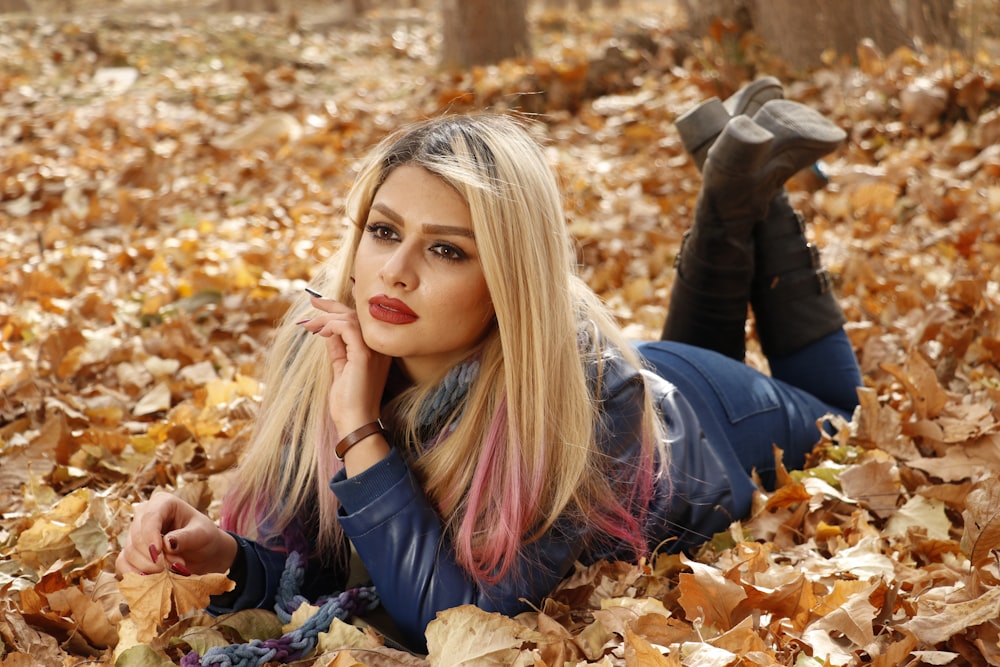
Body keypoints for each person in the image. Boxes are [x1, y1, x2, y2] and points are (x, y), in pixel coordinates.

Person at [116, 79, 863, 653]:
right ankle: (735, 181)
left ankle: (746, 198)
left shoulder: (586, 397)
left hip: (714, 417)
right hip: (652, 393)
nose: (394, 273)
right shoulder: (327, 344)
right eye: (384, 231)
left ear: (509, 278)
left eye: (446, 248)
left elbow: (452, 621)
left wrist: (359, 428)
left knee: (843, 410)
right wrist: (229, 559)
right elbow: (318, 561)